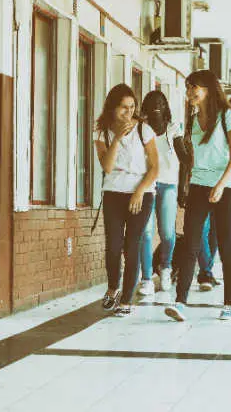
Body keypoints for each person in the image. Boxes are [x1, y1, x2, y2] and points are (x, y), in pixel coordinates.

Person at [165, 70, 231, 322]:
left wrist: (220, 185)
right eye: (188, 89)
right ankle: (180, 302)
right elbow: (191, 159)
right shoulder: (193, 119)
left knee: (226, 245)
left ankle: (230, 303)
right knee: (191, 244)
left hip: (226, 188)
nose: (189, 93)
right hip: (198, 186)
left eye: (193, 88)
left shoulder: (228, 116)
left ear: (208, 89)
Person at [94, 84, 159, 317]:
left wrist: (140, 192)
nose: (128, 113)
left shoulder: (145, 130)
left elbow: (154, 168)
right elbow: (108, 166)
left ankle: (127, 299)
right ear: (113, 107)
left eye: (132, 107)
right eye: (123, 108)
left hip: (141, 194)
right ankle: (113, 288)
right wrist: (118, 137)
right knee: (113, 246)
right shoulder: (101, 132)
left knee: (132, 246)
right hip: (113, 193)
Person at [137, 91, 185, 295]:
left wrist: (184, 187)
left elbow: (184, 158)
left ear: (165, 107)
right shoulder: (141, 130)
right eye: (152, 104)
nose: (157, 107)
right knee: (145, 233)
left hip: (168, 186)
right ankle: (147, 278)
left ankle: (166, 267)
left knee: (167, 232)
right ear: (146, 108)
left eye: (160, 103)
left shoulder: (173, 129)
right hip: (146, 186)